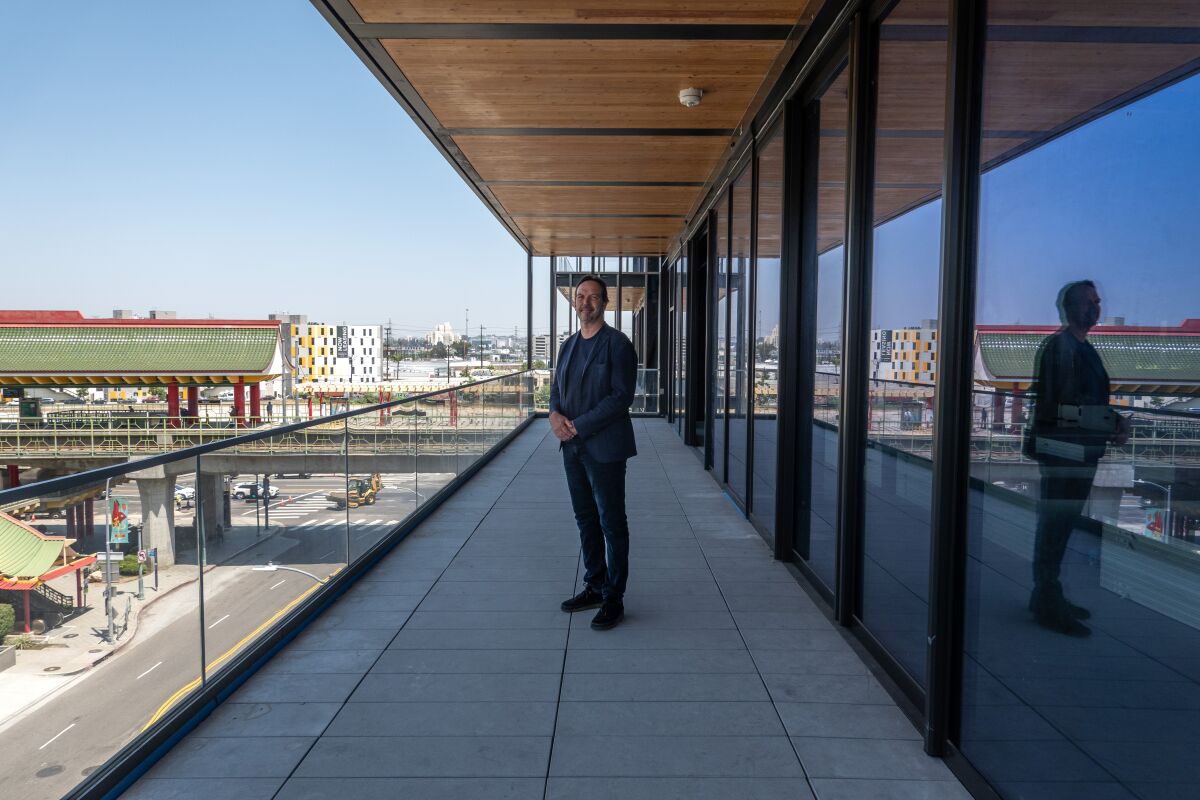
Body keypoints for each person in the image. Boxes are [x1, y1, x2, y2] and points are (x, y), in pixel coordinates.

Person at [1026, 280, 1128, 637]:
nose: (1095, 308)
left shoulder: (1082, 348)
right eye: (1088, 303)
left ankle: (1047, 596)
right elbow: (1061, 409)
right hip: (1063, 452)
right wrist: (1109, 422)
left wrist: (1113, 420)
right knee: (1056, 525)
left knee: (1060, 526)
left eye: (1097, 302)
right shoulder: (1062, 348)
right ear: (1068, 308)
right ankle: (1048, 603)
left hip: (1078, 451)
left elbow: (1088, 403)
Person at [550, 275, 637, 630]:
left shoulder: (617, 344)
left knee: (611, 523)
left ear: (604, 302)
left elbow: (621, 397)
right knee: (585, 519)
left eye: (593, 296)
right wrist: (555, 415)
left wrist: (579, 424)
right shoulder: (568, 345)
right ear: (575, 301)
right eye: (580, 296)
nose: (585, 302)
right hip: (571, 447)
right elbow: (557, 387)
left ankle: (613, 597)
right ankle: (594, 585)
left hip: (604, 448)